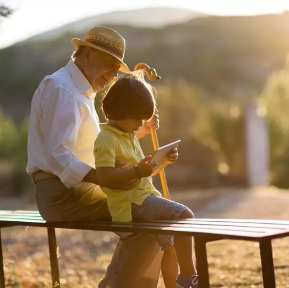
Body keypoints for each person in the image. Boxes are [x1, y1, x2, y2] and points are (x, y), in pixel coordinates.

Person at [26, 26, 167, 287]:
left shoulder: (77, 91)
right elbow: (58, 155)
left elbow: (94, 145)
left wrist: (137, 132)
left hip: (72, 190)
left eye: (118, 67)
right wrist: (105, 178)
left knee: (150, 213)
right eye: (110, 63)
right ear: (87, 54)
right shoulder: (62, 90)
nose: (114, 73)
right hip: (62, 194)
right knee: (151, 213)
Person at [94, 73, 199, 288]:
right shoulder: (106, 139)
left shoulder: (128, 136)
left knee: (169, 246)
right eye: (138, 118)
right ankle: (189, 277)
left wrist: (163, 162)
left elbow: (142, 174)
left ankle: (176, 285)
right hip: (131, 204)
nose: (141, 124)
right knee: (184, 215)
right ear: (122, 111)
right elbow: (104, 178)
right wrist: (137, 171)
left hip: (142, 197)